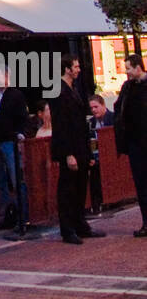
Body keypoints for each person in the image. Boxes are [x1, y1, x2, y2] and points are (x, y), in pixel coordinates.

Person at [51, 54, 105, 244]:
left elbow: (81, 121)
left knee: (81, 186)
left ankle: (80, 224)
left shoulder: (75, 89)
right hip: (70, 148)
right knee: (67, 189)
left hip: (80, 146)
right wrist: (68, 154)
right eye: (75, 66)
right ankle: (68, 229)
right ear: (66, 69)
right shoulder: (58, 90)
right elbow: (61, 125)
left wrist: (88, 152)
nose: (78, 69)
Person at [0, 66, 30, 229]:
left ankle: (22, 216)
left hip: (9, 141)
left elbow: (23, 117)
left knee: (16, 179)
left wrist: (20, 133)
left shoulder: (15, 95)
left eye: (0, 76)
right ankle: (4, 215)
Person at [115, 54, 147, 237]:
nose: (126, 72)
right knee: (141, 185)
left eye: (128, 68)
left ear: (137, 67)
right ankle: (146, 222)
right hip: (135, 143)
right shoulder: (127, 87)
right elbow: (120, 108)